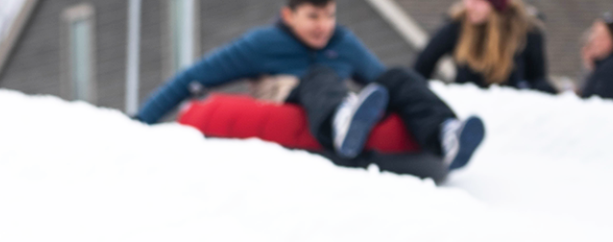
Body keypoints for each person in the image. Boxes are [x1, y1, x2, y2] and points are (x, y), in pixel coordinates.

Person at [135, 0, 487, 172]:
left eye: (330, 15)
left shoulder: (343, 42)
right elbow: (191, 78)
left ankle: (444, 133)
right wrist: (137, 126)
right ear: (289, 15)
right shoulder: (263, 43)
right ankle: (339, 124)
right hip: (285, 101)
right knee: (321, 75)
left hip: (339, 103)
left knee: (398, 77)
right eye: (313, 17)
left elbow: (381, 83)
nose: (323, 26)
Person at [414, 0, 556, 93]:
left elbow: (538, 80)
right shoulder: (457, 26)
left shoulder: (527, 32)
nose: (470, 5)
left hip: (511, 115)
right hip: (467, 109)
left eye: (478, 1)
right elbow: (422, 66)